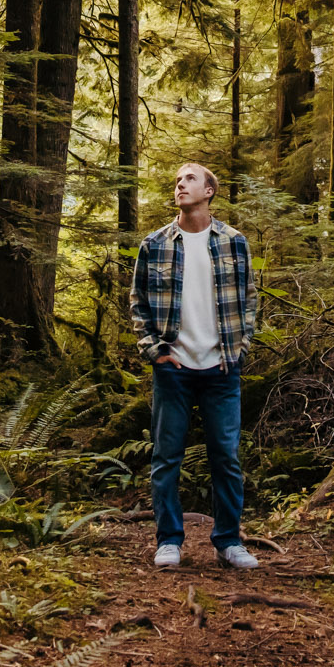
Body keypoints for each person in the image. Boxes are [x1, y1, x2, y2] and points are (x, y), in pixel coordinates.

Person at [128, 160, 259, 569]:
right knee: (167, 457)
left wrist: (238, 350)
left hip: (222, 370)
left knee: (226, 458)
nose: (180, 185)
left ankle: (228, 542)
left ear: (209, 191)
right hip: (174, 369)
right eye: (177, 180)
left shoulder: (234, 242)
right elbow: (138, 304)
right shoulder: (155, 244)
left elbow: (250, 300)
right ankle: (169, 540)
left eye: (189, 179)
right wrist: (155, 352)